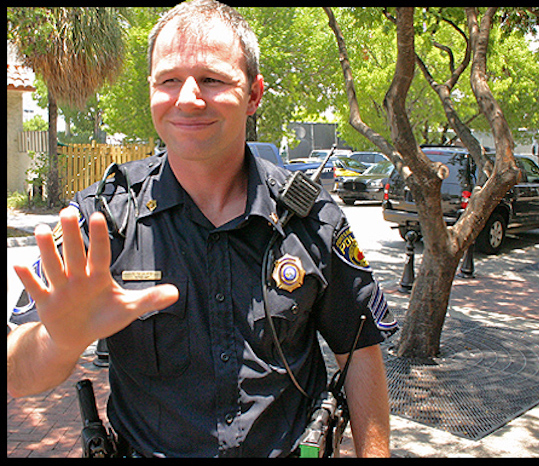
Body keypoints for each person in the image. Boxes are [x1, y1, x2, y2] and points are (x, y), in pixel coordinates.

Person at [8, 1, 398, 458]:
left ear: (254, 95)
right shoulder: (99, 221)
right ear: (151, 92)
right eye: (169, 80)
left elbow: (360, 354)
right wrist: (61, 339)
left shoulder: (314, 218)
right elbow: (18, 374)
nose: (188, 97)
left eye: (211, 79)